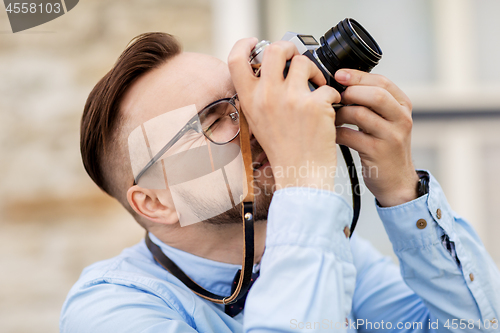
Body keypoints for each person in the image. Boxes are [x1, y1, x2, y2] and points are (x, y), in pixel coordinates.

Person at [60, 32, 500, 332]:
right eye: (215, 118)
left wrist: (400, 187)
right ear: (155, 202)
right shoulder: (110, 310)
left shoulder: (335, 250)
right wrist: (303, 182)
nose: (258, 120)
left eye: (245, 96)